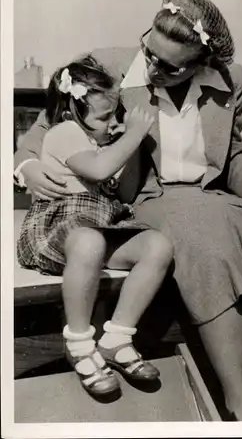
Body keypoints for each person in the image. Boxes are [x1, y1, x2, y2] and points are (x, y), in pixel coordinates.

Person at [15, 0, 242, 420]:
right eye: (149, 49)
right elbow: (45, 127)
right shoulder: (106, 66)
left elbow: (234, 151)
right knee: (203, 241)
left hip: (208, 196)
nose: (152, 66)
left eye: (168, 66)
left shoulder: (232, 79)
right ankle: (237, 398)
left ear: (200, 62)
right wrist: (25, 165)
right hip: (148, 198)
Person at [16, 55, 174, 399]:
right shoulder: (63, 132)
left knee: (157, 246)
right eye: (104, 117)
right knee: (88, 242)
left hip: (96, 230)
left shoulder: (100, 143)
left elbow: (121, 187)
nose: (109, 124)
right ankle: (79, 342)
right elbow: (100, 171)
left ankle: (117, 337)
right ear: (74, 110)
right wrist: (133, 134)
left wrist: (122, 144)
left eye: (113, 116)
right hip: (57, 227)